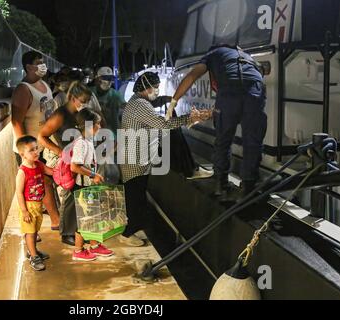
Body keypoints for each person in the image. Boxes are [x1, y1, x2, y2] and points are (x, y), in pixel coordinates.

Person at [118, 72, 213, 247]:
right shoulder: (140, 105)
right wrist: (188, 118)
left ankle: (190, 168)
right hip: (135, 160)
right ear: (146, 89)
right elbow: (163, 124)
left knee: (137, 195)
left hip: (138, 155)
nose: (157, 91)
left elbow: (158, 108)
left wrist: (172, 101)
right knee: (135, 197)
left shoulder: (137, 101)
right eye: (155, 88)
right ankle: (127, 233)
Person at [170, 44, 267, 197]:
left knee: (223, 139)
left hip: (229, 89)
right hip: (255, 89)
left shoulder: (212, 54)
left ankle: (220, 184)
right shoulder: (245, 56)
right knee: (253, 141)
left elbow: (192, 76)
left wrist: (174, 100)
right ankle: (249, 186)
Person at [11, 51, 60, 231]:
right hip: (31, 149)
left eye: (43, 62)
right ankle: (54, 221)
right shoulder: (23, 89)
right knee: (39, 184)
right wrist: (26, 150)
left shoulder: (44, 85)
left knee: (45, 182)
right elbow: (16, 121)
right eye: (38, 62)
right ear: (28, 67)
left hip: (44, 144)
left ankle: (47, 219)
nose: (42, 65)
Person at [38, 82, 92, 246]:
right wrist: (59, 152)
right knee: (67, 197)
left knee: (78, 196)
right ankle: (66, 232)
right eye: (82, 100)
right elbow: (42, 136)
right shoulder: (61, 114)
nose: (84, 104)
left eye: (87, 101)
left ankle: (78, 232)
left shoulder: (81, 113)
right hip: (65, 160)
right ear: (73, 98)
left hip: (79, 157)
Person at [70, 108, 114, 261]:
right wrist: (93, 175)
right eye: (97, 124)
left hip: (89, 186)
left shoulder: (88, 140)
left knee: (92, 217)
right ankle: (78, 250)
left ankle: (94, 245)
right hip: (84, 188)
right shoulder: (81, 143)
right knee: (85, 219)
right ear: (89, 126)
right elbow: (74, 166)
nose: (100, 127)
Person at [15, 136, 52, 271]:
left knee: (35, 230)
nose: (36, 152)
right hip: (29, 207)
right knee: (30, 232)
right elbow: (19, 192)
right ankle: (33, 257)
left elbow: (50, 171)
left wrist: (62, 169)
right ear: (22, 154)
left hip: (38, 204)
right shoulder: (22, 172)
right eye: (31, 150)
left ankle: (33, 251)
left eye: (36, 148)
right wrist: (24, 211)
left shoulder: (39, 165)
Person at [90, 66, 126, 135]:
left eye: (110, 79)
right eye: (106, 78)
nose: (109, 81)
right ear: (98, 79)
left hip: (113, 134)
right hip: (94, 133)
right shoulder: (90, 93)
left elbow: (125, 107)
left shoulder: (115, 94)